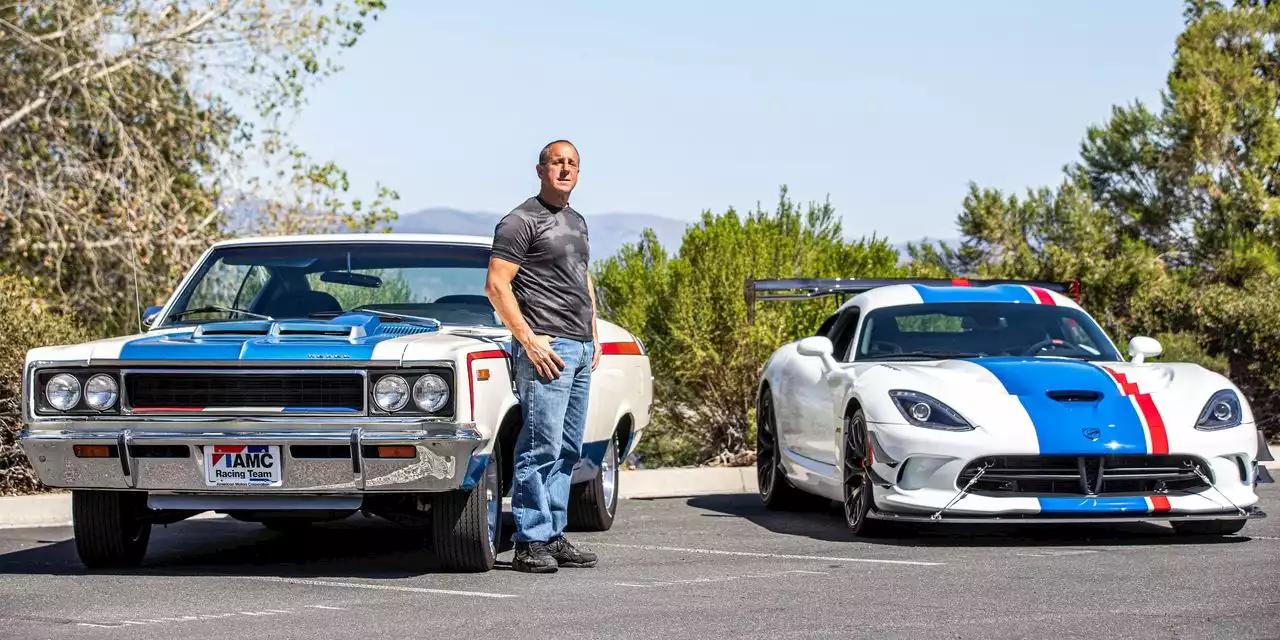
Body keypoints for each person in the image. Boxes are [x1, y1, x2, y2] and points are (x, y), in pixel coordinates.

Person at [485, 139, 601, 573]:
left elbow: (581, 275)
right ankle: (529, 541)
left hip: (580, 346)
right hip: (546, 346)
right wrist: (529, 340)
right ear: (540, 170)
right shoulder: (520, 221)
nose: (565, 169)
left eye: (572, 164)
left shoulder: (577, 221)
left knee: (568, 447)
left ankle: (552, 533)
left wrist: (593, 331)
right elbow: (497, 285)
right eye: (557, 162)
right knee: (540, 445)